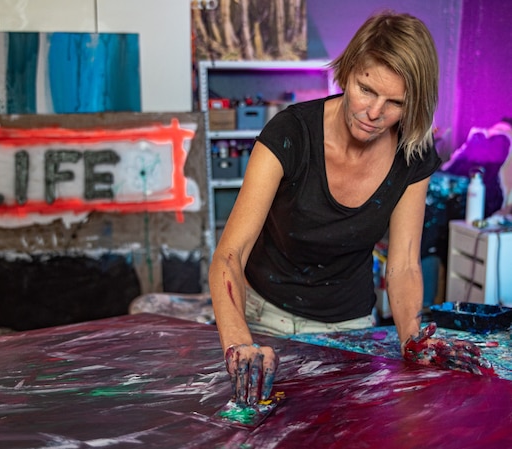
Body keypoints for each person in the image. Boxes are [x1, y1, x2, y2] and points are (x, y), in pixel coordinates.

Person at [208, 10, 493, 407]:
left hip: (350, 324)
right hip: (261, 317)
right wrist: (239, 342)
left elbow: (405, 263)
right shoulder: (291, 134)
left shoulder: (412, 151)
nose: (375, 113)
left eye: (395, 103)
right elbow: (229, 255)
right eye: (366, 89)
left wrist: (412, 339)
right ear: (349, 70)